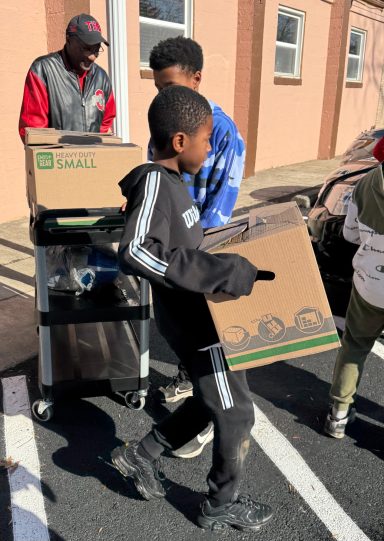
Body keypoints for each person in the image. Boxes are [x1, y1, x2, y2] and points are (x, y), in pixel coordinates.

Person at [111, 85, 274, 532]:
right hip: (196, 327)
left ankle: (138, 456)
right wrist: (218, 273)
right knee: (237, 412)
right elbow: (136, 251)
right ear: (180, 142)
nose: (210, 147)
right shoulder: (152, 182)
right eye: (206, 139)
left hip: (206, 319)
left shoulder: (176, 183)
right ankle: (220, 504)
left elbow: (186, 246)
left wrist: (223, 248)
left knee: (210, 403)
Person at [148, 36, 246, 420]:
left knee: (204, 333)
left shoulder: (221, 132)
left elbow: (221, 204)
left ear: (196, 79)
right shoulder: (164, 118)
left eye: (168, 87)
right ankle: (190, 377)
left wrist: (197, 252)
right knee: (178, 328)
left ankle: (205, 412)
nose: (160, 97)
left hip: (196, 249)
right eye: (157, 89)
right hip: (171, 248)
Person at [323, 163, 384, 439]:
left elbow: (350, 234)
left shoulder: (367, 181)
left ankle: (338, 414)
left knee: (355, 345)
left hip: (370, 281)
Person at [19, 13, 116, 142]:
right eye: (86, 48)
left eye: (96, 49)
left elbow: (105, 123)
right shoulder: (43, 70)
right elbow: (34, 130)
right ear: (69, 39)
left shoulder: (102, 78)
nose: (92, 56)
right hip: (60, 161)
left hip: (93, 160)